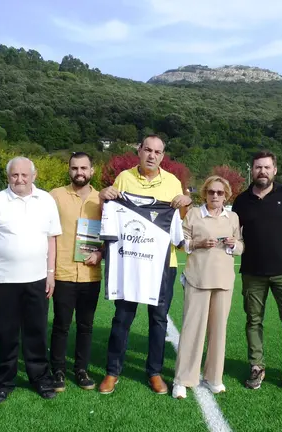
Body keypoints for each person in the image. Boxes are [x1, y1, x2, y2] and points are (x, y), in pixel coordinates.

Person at [97, 135, 192, 395]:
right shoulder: (124, 178)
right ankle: (112, 371)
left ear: (163, 156)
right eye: (147, 150)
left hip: (163, 264)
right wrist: (103, 195)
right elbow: (108, 210)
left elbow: (180, 225)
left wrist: (186, 202)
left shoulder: (173, 182)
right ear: (139, 151)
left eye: (157, 152)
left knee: (158, 320)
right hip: (128, 262)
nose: (152, 155)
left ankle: (154, 372)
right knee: (122, 318)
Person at [0, 156, 62, 404]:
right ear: (8, 176)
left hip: (37, 280)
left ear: (34, 176)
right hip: (3, 282)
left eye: (24, 175)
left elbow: (52, 239)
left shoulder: (46, 200)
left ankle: (41, 379)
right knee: (6, 335)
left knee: (36, 333)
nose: (20, 179)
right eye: (15, 175)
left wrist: (51, 274)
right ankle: (3, 383)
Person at [231, 150, 282, 395]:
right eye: (257, 167)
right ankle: (256, 366)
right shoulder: (241, 201)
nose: (261, 171)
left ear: (275, 170)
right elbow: (231, 232)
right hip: (252, 273)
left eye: (266, 167)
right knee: (254, 321)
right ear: (251, 171)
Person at [172, 176, 243, 399]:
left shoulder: (232, 217)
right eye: (211, 192)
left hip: (223, 281)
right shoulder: (193, 214)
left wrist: (234, 245)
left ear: (226, 195)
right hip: (197, 279)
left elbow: (240, 246)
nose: (215, 196)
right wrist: (198, 243)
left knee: (218, 332)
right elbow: (180, 242)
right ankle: (183, 379)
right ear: (205, 193)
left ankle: (214, 377)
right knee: (192, 330)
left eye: (220, 193)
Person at [48, 152, 103, 392]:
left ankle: (81, 369)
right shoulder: (54, 196)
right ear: (69, 170)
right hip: (63, 273)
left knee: (86, 325)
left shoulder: (103, 199)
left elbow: (111, 236)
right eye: (74, 168)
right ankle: (57, 369)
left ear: (92, 171)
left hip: (91, 275)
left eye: (84, 168)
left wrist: (101, 253)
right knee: (61, 324)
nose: (79, 172)